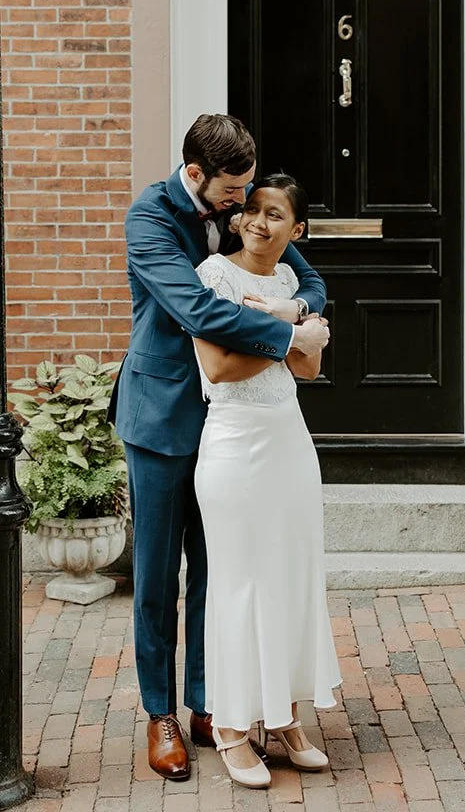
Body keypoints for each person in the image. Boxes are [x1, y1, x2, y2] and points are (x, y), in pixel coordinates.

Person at [113, 114, 330, 782]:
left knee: (220, 570)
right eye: (232, 190)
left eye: (247, 190)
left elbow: (309, 281)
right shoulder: (150, 219)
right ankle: (162, 715)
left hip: (235, 432)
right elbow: (201, 313)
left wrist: (294, 308)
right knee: (156, 580)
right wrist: (289, 331)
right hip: (164, 414)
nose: (242, 205)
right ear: (197, 174)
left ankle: (213, 704)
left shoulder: (241, 209)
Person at [193, 173, 341, 788]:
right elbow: (220, 366)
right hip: (233, 442)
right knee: (239, 582)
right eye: (251, 210)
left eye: (274, 214)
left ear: (296, 230)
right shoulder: (212, 277)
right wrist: (290, 336)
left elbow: (311, 366)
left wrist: (291, 334)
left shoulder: (288, 284)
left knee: (290, 578)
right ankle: (231, 727)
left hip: (288, 438)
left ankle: (281, 717)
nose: (258, 221)